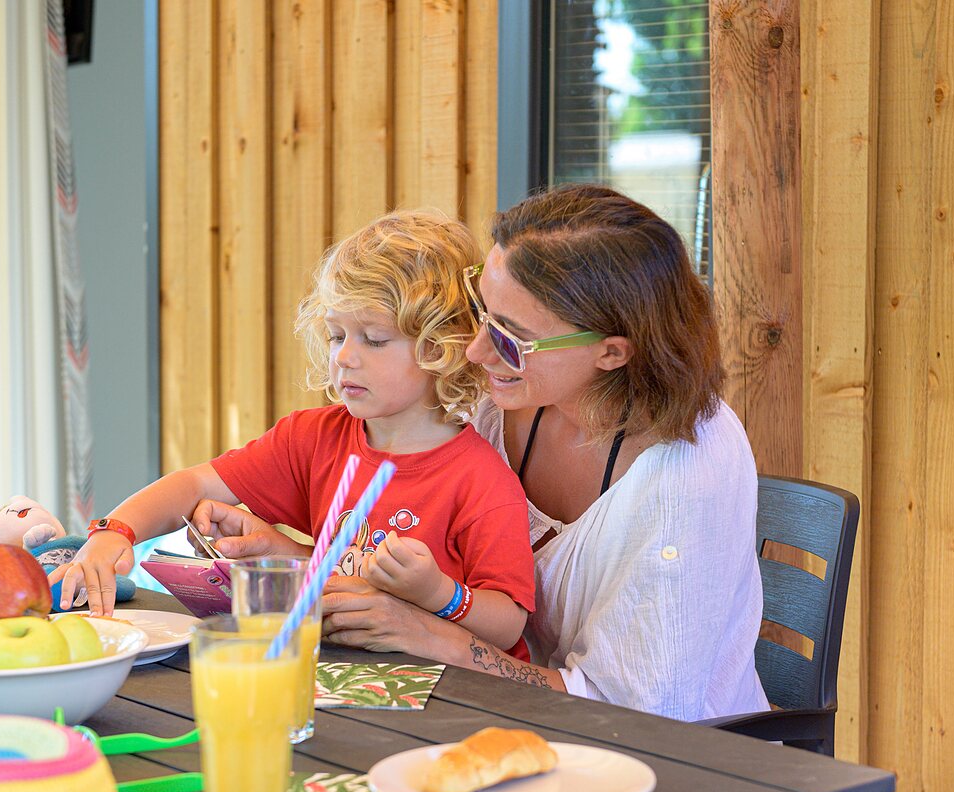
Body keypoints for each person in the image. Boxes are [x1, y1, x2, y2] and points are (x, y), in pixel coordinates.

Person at [219, 185, 769, 721]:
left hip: (666, 763)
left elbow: (642, 717)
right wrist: (293, 559)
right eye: (483, 313)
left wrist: (439, 640)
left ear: (611, 353)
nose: (477, 351)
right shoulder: (497, 396)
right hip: (486, 712)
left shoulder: (685, 476)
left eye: (510, 336)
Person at [52, 210, 536, 660]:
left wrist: (437, 593)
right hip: (331, 676)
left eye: (374, 339)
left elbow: (509, 625)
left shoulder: (481, 480)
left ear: (441, 347)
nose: (344, 357)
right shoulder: (313, 437)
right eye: (335, 335)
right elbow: (195, 485)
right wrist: (114, 532)